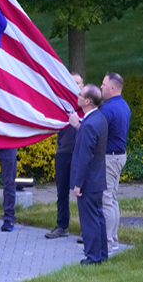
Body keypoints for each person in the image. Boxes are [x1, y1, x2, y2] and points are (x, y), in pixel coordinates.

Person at [70, 84, 109, 265]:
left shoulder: (89, 124)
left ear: (87, 101)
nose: (77, 96)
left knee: (89, 220)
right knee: (98, 217)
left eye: (80, 94)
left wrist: (78, 184)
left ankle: (93, 257)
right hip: (97, 178)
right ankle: (101, 254)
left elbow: (85, 157)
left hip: (88, 181)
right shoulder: (99, 118)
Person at [45, 73, 84, 239]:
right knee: (61, 192)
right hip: (63, 153)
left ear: (83, 85)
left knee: (83, 193)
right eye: (71, 82)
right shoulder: (61, 104)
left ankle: (86, 230)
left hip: (80, 155)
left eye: (78, 83)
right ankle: (62, 226)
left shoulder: (88, 106)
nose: (75, 86)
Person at [99, 72, 131, 254]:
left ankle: (108, 244)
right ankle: (114, 241)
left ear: (112, 88)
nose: (101, 87)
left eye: (103, 84)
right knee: (112, 198)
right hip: (118, 155)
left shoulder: (108, 110)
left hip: (109, 158)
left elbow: (95, 131)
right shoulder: (122, 105)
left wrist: (78, 125)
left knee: (106, 201)